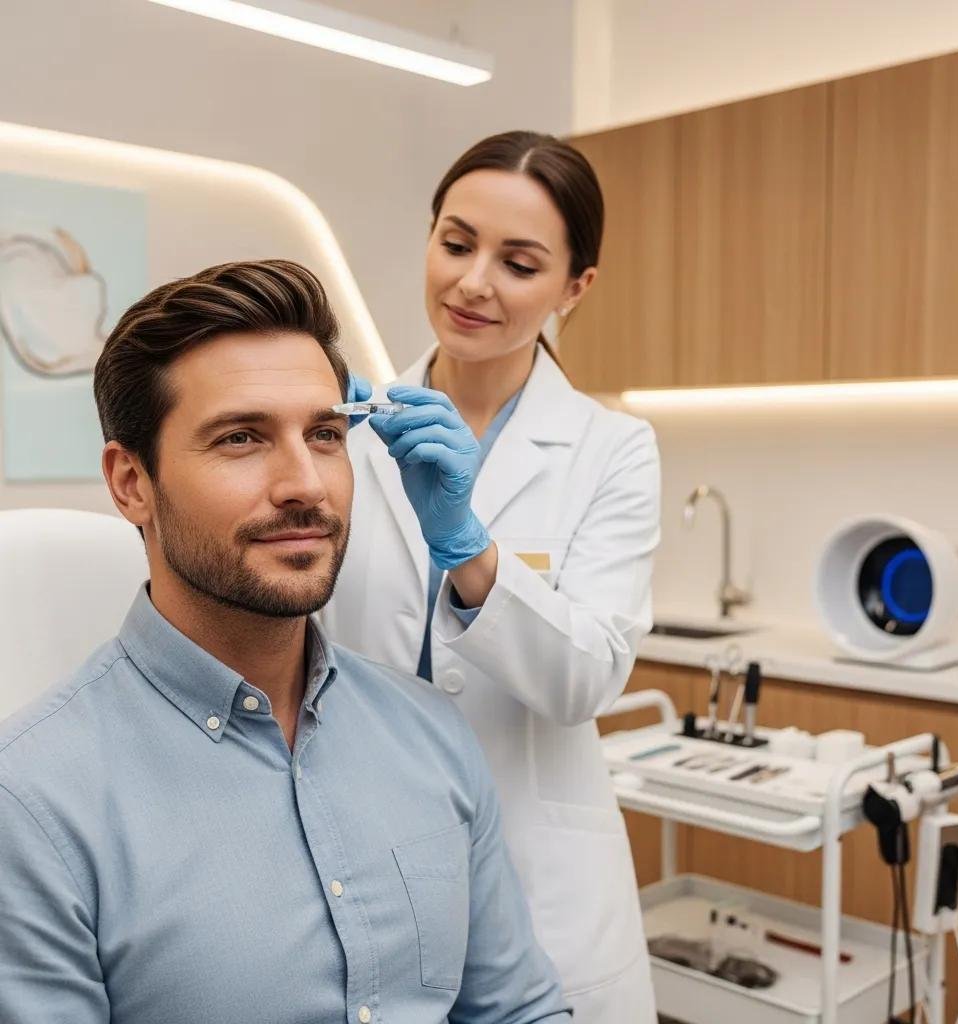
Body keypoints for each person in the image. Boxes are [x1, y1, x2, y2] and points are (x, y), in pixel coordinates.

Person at [0, 260, 571, 1024]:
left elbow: (517, 1012)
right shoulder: (31, 806)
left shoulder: (430, 733)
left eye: (325, 434)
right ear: (131, 483)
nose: (306, 482)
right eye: (242, 438)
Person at [323, 131, 661, 1022]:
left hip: (540, 878)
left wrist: (469, 546)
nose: (474, 283)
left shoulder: (612, 451)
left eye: (519, 263)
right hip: (365, 854)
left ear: (574, 287)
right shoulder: (346, 429)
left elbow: (586, 677)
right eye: (457, 242)